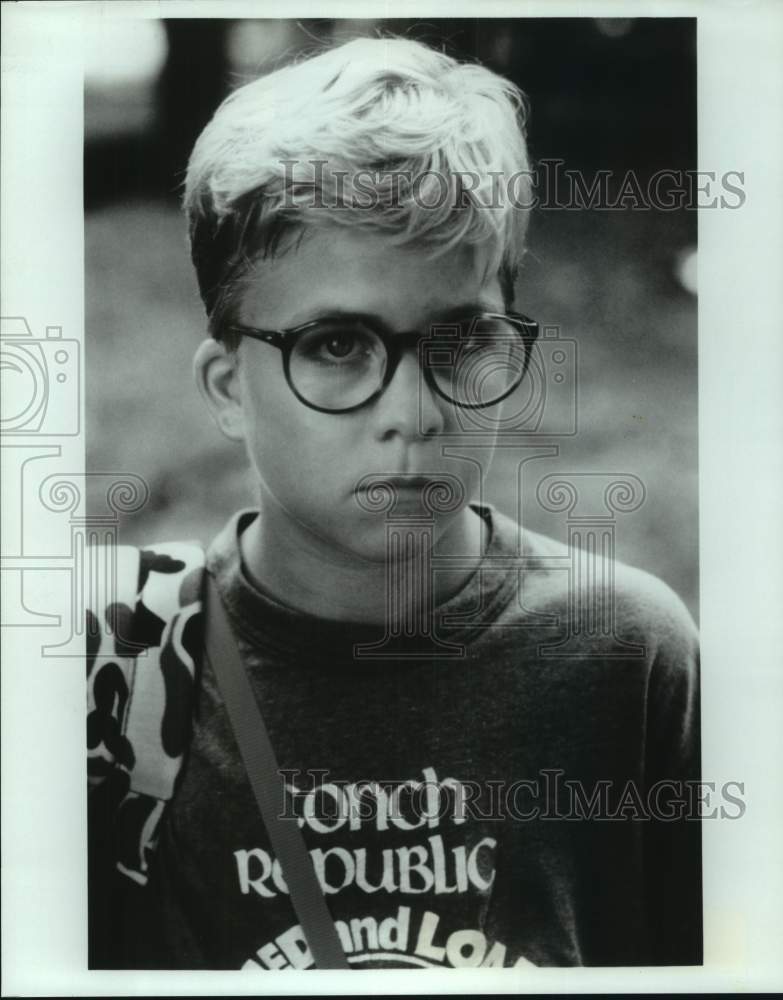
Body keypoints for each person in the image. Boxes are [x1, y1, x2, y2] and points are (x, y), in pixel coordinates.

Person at [87, 35, 701, 970]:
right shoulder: (112, 675)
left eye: (460, 341)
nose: (413, 414)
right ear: (223, 386)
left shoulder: (624, 657)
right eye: (336, 345)